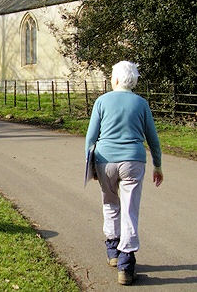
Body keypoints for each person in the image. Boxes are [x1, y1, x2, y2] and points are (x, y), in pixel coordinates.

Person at [85, 61, 163, 286]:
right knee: (129, 209)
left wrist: (91, 167)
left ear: (117, 79)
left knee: (110, 203)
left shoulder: (101, 101)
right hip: (133, 160)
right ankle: (126, 265)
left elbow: (91, 138)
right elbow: (153, 139)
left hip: (105, 160)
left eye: (111, 75)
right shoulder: (141, 103)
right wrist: (157, 165)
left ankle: (112, 251)